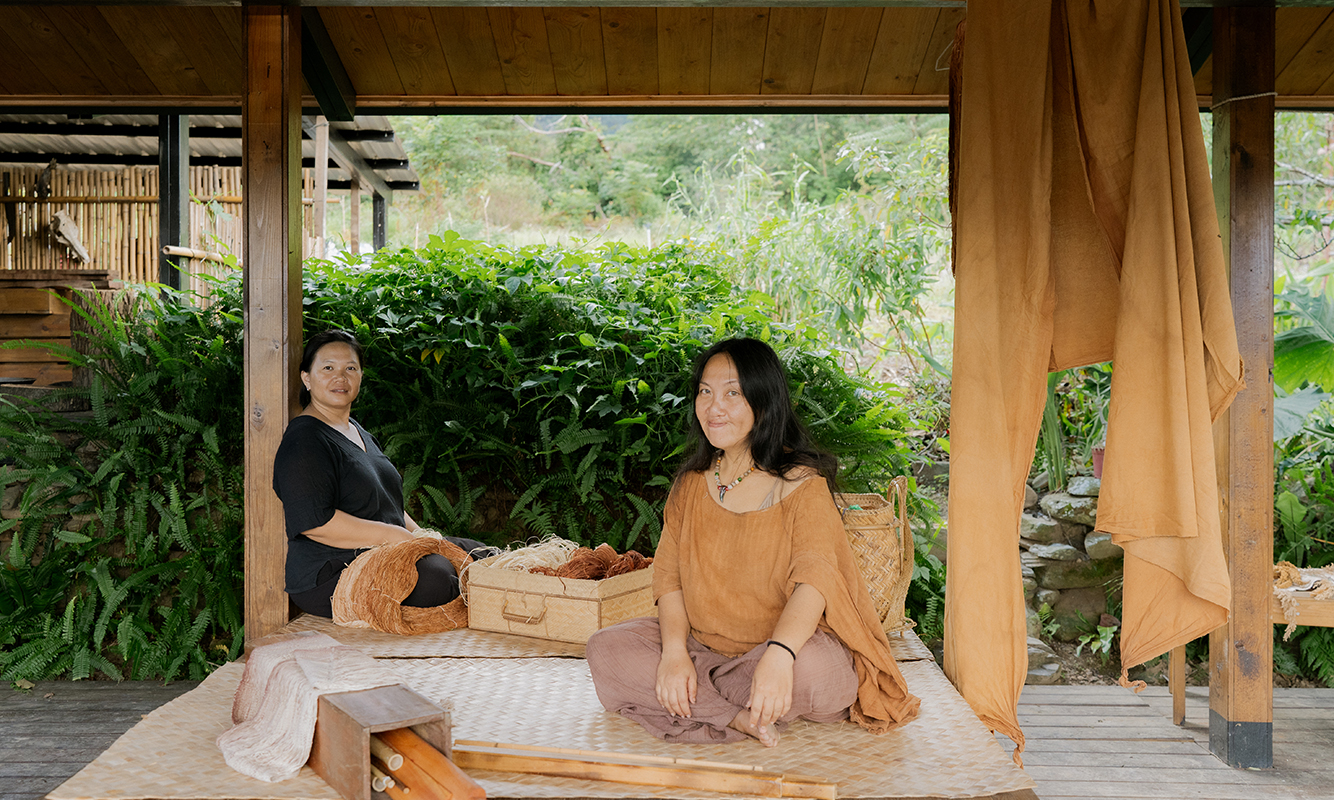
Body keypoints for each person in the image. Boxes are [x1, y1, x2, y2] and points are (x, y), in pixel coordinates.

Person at [585, 338, 920, 746]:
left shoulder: (802, 487)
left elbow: (814, 583)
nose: (713, 407)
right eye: (705, 392)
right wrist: (673, 654)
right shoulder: (690, 485)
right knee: (606, 648)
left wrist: (779, 656)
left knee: (814, 672)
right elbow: (668, 580)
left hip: (790, 649)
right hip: (702, 645)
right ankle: (737, 715)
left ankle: (704, 703)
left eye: (732, 394)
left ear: (763, 403)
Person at [273, 329, 494, 618]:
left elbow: (389, 505)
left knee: (482, 557)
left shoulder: (358, 432)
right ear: (307, 378)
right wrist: (395, 536)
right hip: (331, 571)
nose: (340, 377)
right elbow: (316, 522)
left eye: (350, 368)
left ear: (361, 376)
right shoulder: (304, 439)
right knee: (439, 578)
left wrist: (427, 538)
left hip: (386, 550)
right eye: (328, 368)